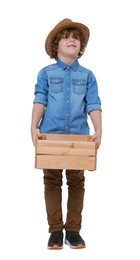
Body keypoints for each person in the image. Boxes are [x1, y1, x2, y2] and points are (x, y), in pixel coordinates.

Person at [31, 18, 102, 250]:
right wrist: (33, 127)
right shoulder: (46, 73)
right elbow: (40, 99)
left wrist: (99, 129)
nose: (72, 39)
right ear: (56, 46)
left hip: (79, 138)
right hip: (50, 136)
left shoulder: (88, 76)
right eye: (66, 37)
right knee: (51, 181)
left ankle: (73, 230)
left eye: (76, 37)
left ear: (80, 46)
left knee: (76, 181)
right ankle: (54, 231)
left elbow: (93, 104)